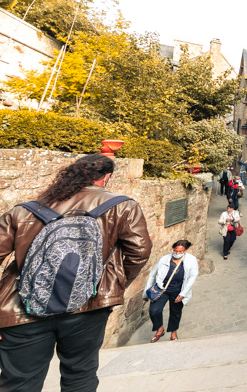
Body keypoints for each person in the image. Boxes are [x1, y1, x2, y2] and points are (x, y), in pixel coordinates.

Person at [0, 154, 152, 391]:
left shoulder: (23, 211)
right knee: (80, 376)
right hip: (88, 308)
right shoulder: (123, 206)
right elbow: (139, 252)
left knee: (20, 383)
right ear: (106, 177)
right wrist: (112, 286)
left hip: (23, 309)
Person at [144, 239, 199, 342]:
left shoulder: (191, 260)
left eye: (180, 251)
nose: (177, 253)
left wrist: (183, 294)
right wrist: (146, 293)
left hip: (178, 290)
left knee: (175, 312)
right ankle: (160, 328)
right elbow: (152, 275)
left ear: (185, 250)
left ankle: (173, 332)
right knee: (154, 311)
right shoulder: (164, 259)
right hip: (162, 289)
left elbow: (192, 277)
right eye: (175, 251)